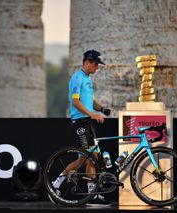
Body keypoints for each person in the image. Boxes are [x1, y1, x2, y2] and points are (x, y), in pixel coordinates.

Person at [51, 50, 111, 205]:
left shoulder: (87, 79)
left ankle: (93, 195)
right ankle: (55, 184)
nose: (97, 68)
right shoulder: (77, 78)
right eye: (96, 64)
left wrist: (102, 109)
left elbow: (90, 100)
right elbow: (76, 102)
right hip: (80, 122)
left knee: (93, 158)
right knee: (86, 158)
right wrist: (92, 114)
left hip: (88, 122)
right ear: (87, 62)